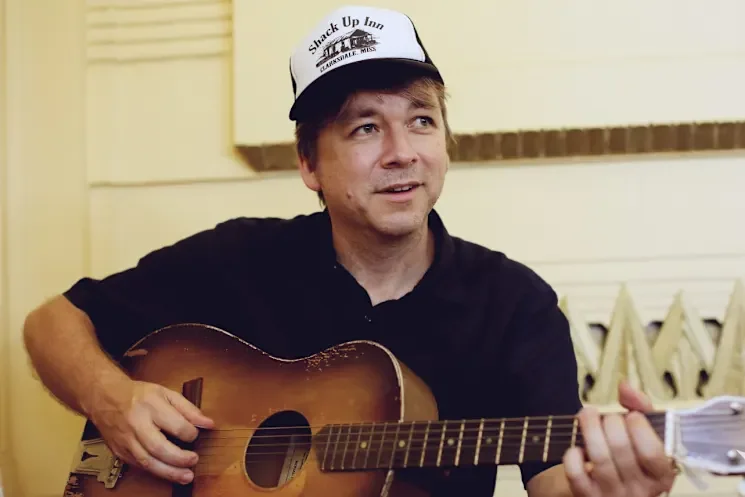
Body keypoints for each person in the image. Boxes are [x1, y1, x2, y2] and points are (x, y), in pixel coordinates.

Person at [23, 5, 677, 497]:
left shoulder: (513, 304)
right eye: (365, 127)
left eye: (421, 119)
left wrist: (616, 483)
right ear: (309, 164)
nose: (401, 151)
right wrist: (111, 397)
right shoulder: (238, 258)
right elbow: (52, 322)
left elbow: (554, 478)